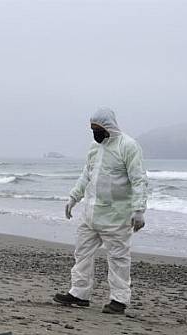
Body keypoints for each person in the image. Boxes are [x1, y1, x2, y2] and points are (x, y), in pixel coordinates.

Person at [54, 107, 148, 314]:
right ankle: (79, 294)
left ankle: (119, 300)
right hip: (91, 213)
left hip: (117, 216)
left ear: (108, 127)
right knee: (82, 253)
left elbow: (139, 179)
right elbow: (86, 175)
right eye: (92, 129)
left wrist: (139, 209)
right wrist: (73, 197)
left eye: (97, 128)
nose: (95, 132)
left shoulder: (128, 147)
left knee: (118, 258)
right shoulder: (94, 148)